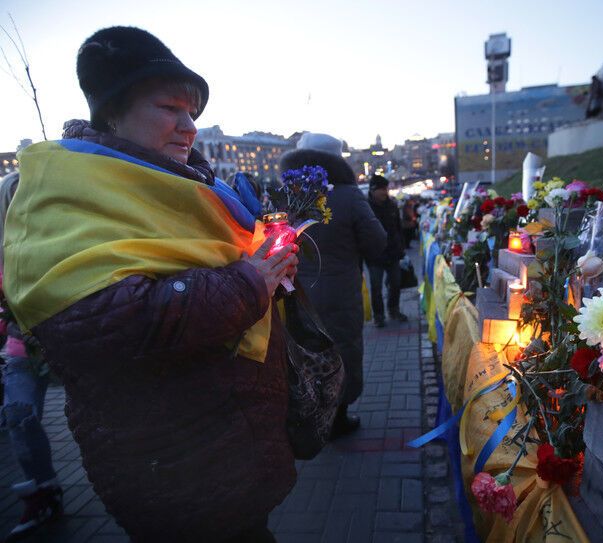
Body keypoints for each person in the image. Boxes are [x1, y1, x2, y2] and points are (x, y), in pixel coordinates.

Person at [3, 26, 299, 541]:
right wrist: (247, 282)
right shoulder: (71, 190)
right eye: (169, 108)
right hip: (175, 469)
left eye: (192, 113)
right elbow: (98, 323)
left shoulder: (185, 182)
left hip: (230, 444)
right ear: (113, 112)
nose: (189, 127)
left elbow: (203, 264)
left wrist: (269, 269)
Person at [283, 133, 387, 437]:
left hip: (296, 294)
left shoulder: (288, 193)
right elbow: (377, 242)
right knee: (343, 351)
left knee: (304, 354)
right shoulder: (348, 194)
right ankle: (338, 417)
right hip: (341, 294)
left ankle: (309, 417)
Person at [0, 172, 63, 541]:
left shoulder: (62, 238)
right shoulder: (5, 249)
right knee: (19, 414)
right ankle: (43, 492)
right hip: (21, 350)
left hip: (68, 346)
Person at [365, 175, 407, 328]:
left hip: (393, 253)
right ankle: (379, 316)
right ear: (373, 190)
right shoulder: (365, 207)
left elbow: (398, 228)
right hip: (374, 256)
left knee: (395, 283)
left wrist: (401, 247)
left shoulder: (392, 205)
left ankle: (394, 310)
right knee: (376, 287)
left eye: (386, 189)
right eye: (382, 189)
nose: (385, 192)